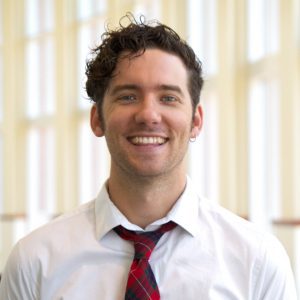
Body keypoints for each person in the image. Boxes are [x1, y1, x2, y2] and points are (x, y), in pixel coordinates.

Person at [0, 14, 297, 300]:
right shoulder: (34, 262)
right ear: (97, 120)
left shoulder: (257, 261)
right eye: (128, 96)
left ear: (196, 121)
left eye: (168, 97)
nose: (148, 115)